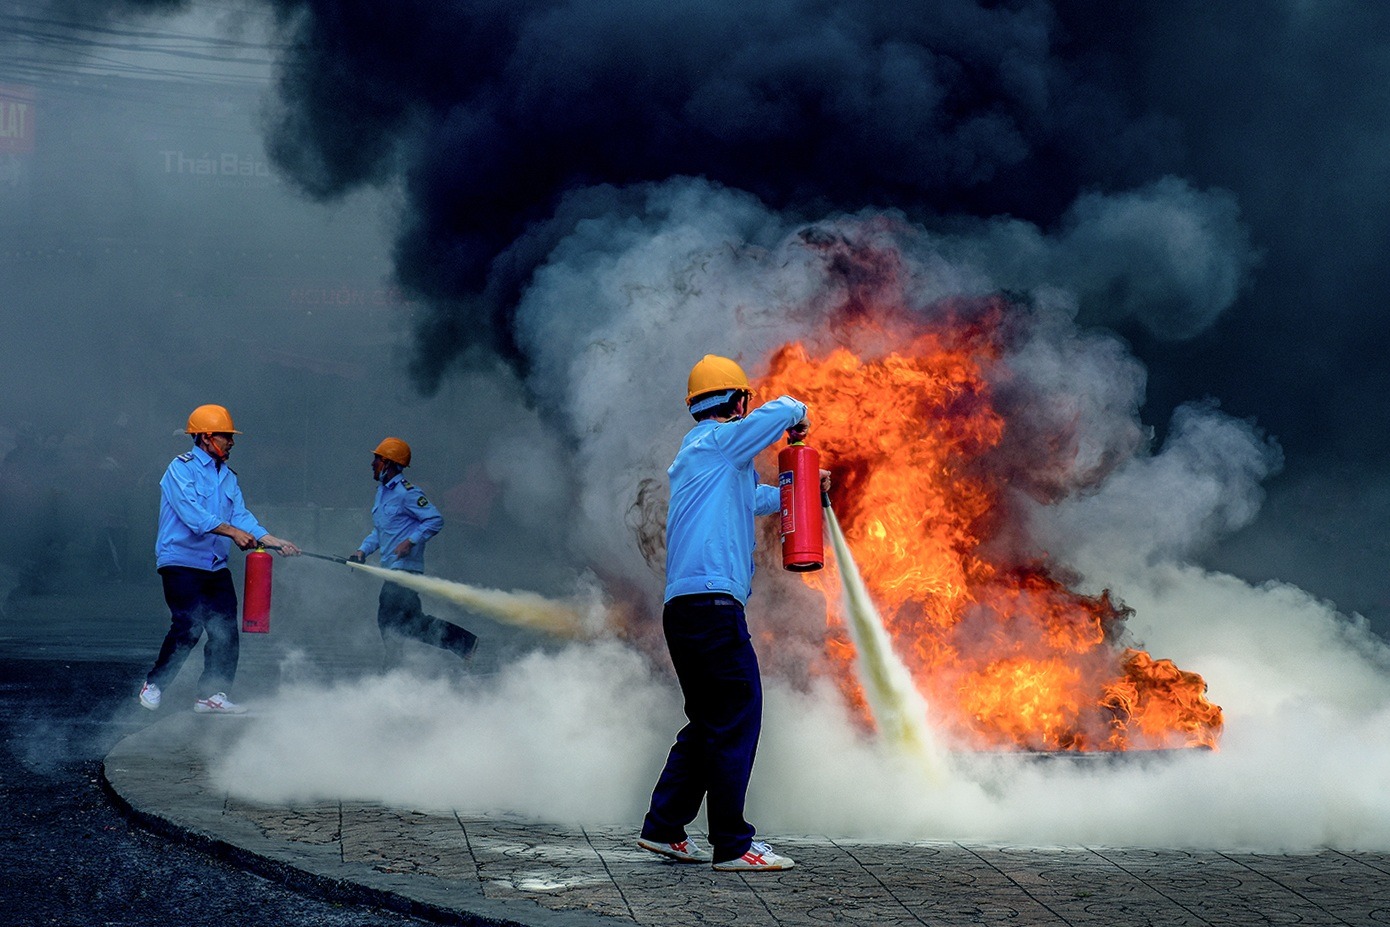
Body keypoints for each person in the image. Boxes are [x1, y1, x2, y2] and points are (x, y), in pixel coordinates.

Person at [637, 354, 829, 873]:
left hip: (686, 612)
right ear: (738, 402)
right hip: (713, 610)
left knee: (708, 722)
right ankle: (732, 844)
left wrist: (806, 483)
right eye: (747, 402)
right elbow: (774, 418)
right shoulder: (720, 443)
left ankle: (664, 829)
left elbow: (759, 499)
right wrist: (796, 410)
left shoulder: (705, 458)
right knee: (737, 716)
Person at [138, 404, 300, 714]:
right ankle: (154, 683)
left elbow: (241, 515)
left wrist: (270, 539)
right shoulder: (180, 468)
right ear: (206, 437)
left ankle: (211, 695)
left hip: (214, 565)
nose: (232, 442)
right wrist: (233, 533)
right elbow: (192, 514)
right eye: (227, 436)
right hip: (181, 563)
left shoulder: (227, 477)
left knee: (225, 629)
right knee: (188, 626)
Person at [348, 437, 478, 664]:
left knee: (390, 621)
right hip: (392, 568)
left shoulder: (406, 493)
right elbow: (381, 531)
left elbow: (434, 520)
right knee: (408, 623)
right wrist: (362, 551)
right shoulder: (383, 493)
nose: (372, 464)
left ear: (388, 463)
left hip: (405, 569)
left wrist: (410, 542)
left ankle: (395, 664)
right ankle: (464, 643)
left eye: (377, 459)